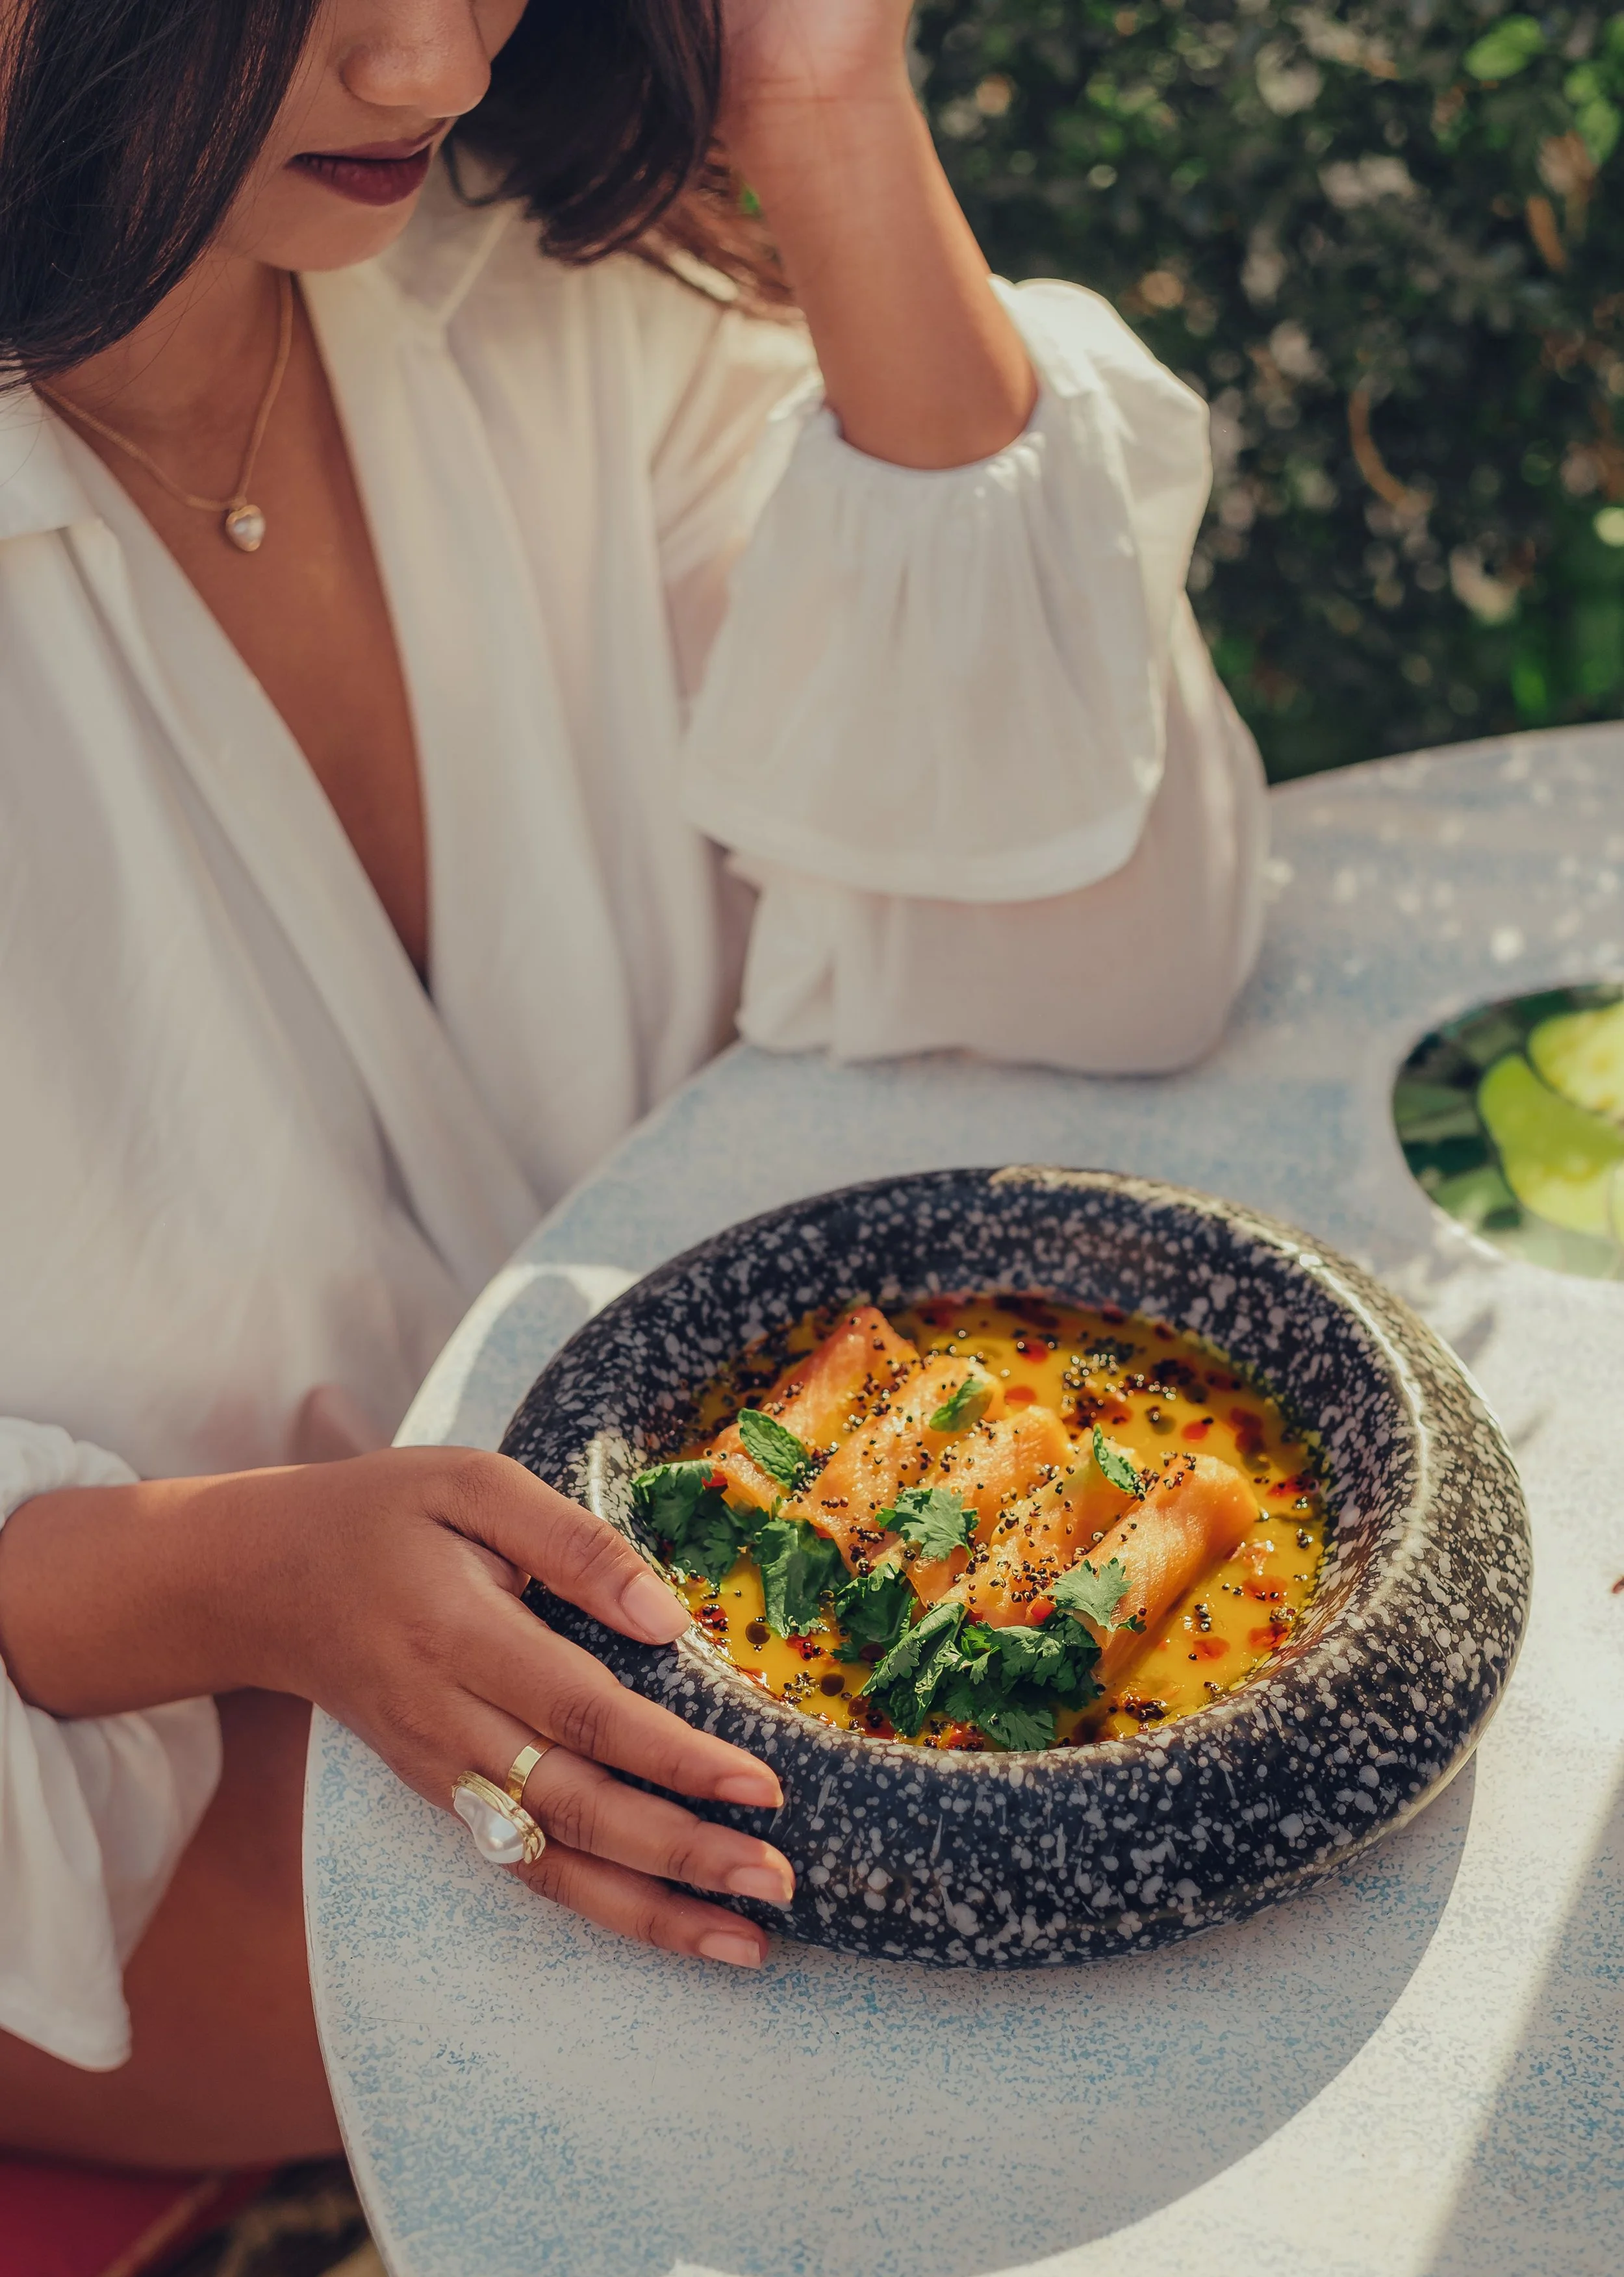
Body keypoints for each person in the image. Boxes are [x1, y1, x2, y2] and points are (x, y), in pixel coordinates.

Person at [0, 0, 1265, 2169]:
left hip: (761, 1619)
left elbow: (1102, 954)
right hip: (166, 1798)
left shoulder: (527, 271)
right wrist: (244, 1583)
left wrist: (825, 108)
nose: (433, 69)